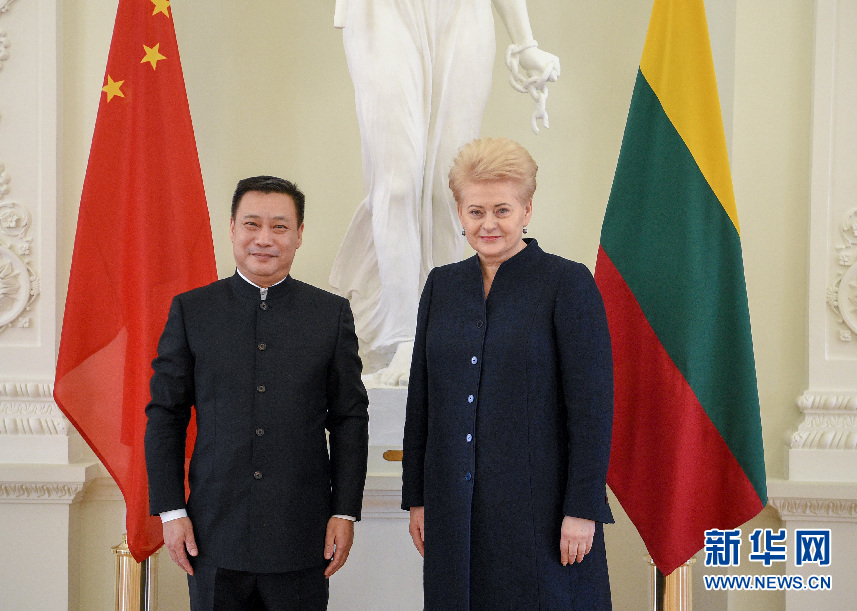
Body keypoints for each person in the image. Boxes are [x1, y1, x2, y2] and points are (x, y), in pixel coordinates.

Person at [402, 138, 614, 609]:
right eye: (476, 211)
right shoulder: (441, 286)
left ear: (526, 210)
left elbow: (592, 409)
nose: (488, 224)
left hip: (542, 513)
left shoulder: (567, 283)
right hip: (453, 510)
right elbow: (422, 401)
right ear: (460, 212)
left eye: (502, 210)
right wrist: (418, 498)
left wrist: (582, 509)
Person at [145, 176, 369, 610]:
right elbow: (165, 415)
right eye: (252, 224)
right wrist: (171, 512)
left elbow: (349, 419)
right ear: (232, 229)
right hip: (212, 532)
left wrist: (344, 511)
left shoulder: (330, 314)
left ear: (299, 234)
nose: (264, 239)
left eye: (279, 227)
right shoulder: (192, 310)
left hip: (302, 533)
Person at [330, 0, 561, 385]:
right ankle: (405, 336)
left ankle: (439, 333)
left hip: (462, 12)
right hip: (384, 11)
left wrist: (525, 43)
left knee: (447, 187)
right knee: (397, 184)